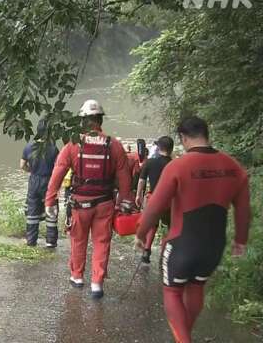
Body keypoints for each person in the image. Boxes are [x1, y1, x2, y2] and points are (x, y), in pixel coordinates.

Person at [136, 117, 251, 343]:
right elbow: (244, 211)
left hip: (181, 245)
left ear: (183, 138)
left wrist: (141, 233)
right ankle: (184, 336)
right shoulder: (234, 168)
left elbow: (155, 206)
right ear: (207, 135)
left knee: (172, 292)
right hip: (214, 247)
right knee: (196, 285)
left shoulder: (178, 166)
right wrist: (241, 241)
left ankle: (183, 339)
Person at [44, 99, 132, 299]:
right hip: (104, 203)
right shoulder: (114, 144)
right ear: (100, 119)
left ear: (82, 121)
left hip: (80, 204)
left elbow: (57, 174)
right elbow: (124, 176)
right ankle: (97, 283)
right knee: (102, 241)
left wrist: (50, 200)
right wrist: (126, 201)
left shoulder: (73, 144)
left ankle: (77, 277)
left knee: (78, 239)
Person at [135, 135, 174, 264]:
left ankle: (146, 251)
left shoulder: (150, 162)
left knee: (152, 224)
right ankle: (166, 254)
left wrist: (138, 195)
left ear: (158, 147)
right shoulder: (174, 164)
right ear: (171, 149)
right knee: (170, 227)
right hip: (169, 201)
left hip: (153, 199)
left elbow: (141, 180)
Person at [21, 120, 60, 247]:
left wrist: (32, 171)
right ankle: (51, 241)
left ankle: (31, 241)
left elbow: (22, 165)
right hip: (49, 181)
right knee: (51, 210)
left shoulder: (28, 146)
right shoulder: (53, 148)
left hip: (34, 180)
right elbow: (58, 168)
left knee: (32, 210)